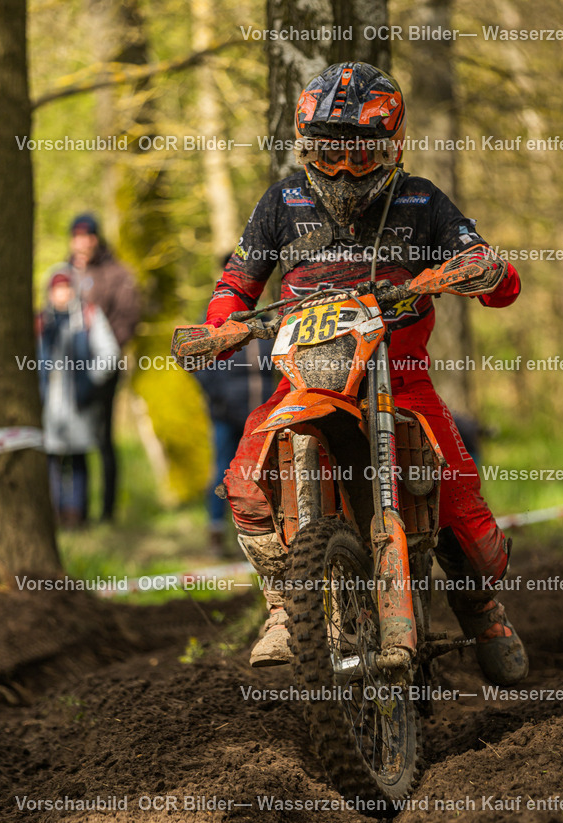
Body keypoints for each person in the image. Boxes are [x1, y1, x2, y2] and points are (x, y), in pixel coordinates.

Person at [206, 62, 528, 687]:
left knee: (469, 522)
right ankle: (282, 605)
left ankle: (482, 610)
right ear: (306, 146)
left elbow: (495, 273)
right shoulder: (281, 203)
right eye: (329, 151)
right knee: (246, 484)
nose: (345, 167)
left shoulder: (421, 199)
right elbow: (234, 284)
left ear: (391, 144)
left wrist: (474, 271)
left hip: (400, 375)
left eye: (360, 150)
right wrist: (225, 325)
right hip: (304, 377)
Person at [194, 255, 276, 557]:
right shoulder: (214, 322)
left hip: (261, 414)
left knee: (263, 474)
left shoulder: (269, 322)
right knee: (222, 472)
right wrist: (218, 400)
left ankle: (264, 537)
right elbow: (200, 367)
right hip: (225, 414)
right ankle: (216, 531)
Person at [68, 213, 141, 521]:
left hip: (104, 369)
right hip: (68, 371)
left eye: (87, 236)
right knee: (72, 437)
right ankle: (76, 511)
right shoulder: (64, 273)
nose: (82, 242)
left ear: (96, 238)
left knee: (103, 438)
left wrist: (103, 351)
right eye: (76, 236)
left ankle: (107, 512)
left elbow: (129, 317)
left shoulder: (116, 273)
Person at [38, 265, 121, 527]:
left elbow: (110, 353)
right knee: (51, 462)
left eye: (65, 287)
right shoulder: (41, 321)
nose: (61, 293)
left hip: (80, 403)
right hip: (48, 404)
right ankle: (54, 515)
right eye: (57, 288)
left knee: (77, 459)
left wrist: (90, 380)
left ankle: (76, 515)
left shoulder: (88, 315)